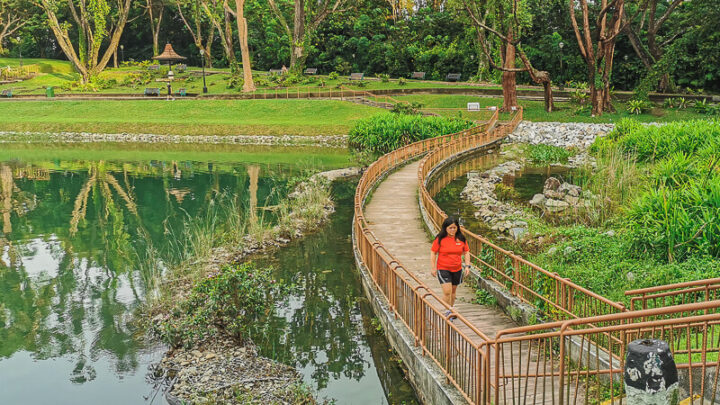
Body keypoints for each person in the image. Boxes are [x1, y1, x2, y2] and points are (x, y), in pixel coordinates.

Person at [430, 217, 470, 320]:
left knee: (453, 291)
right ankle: (446, 311)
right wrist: (433, 268)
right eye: (450, 228)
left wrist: (467, 266)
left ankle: (450, 310)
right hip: (443, 268)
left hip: (457, 268)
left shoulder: (461, 239)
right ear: (445, 228)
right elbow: (433, 252)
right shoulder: (440, 239)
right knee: (447, 292)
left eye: (454, 228)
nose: (452, 230)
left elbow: (466, 252)